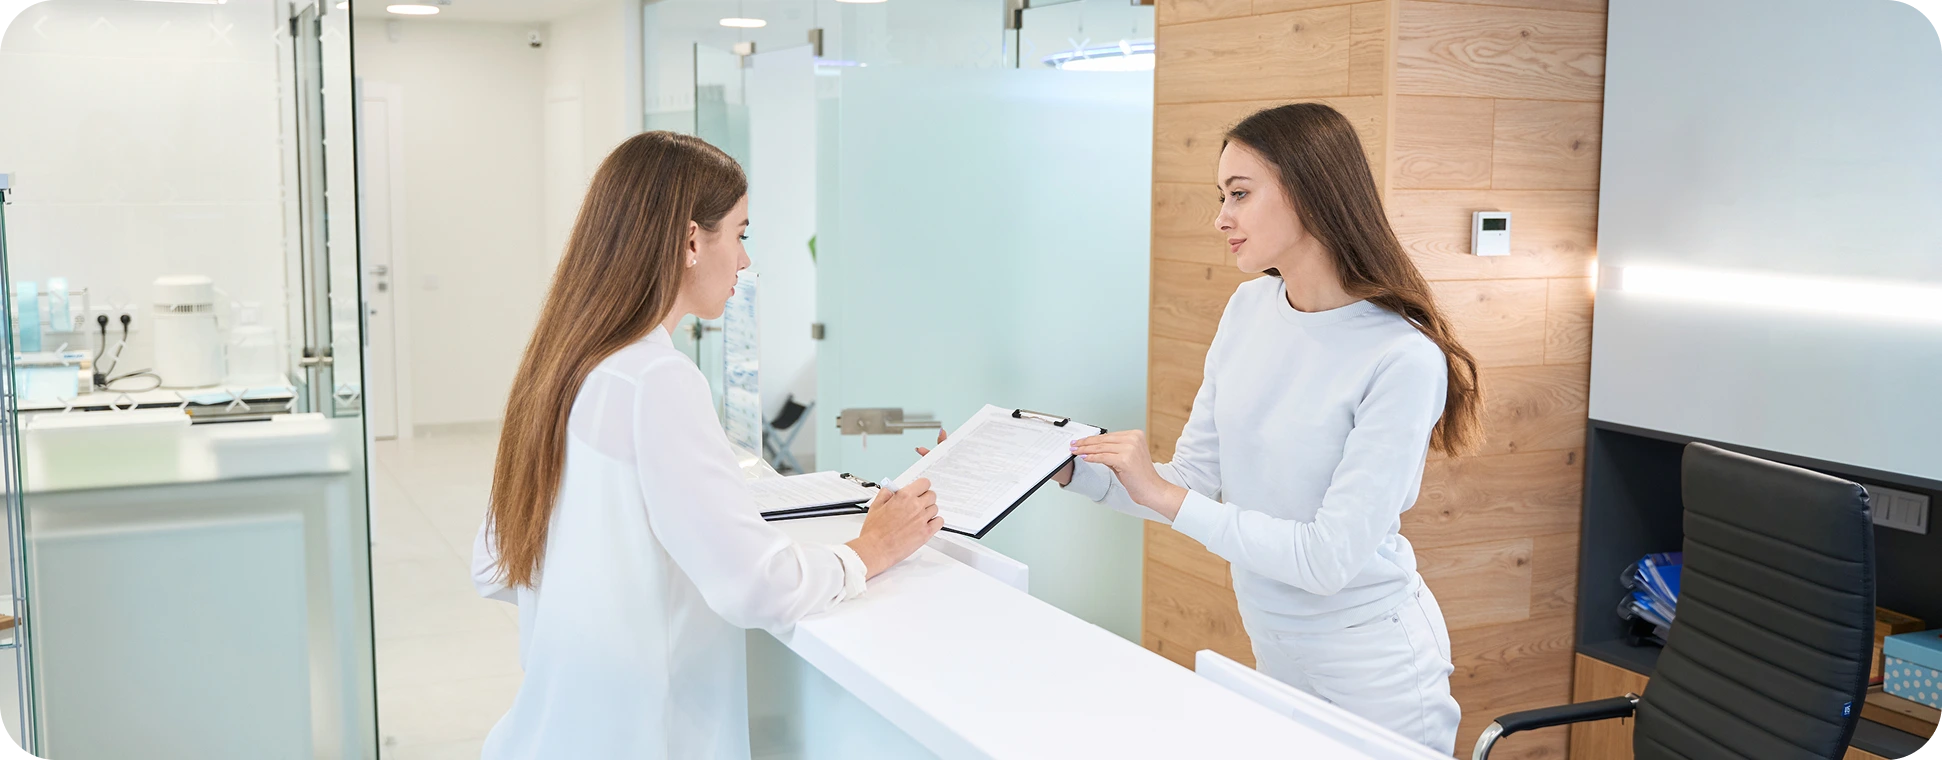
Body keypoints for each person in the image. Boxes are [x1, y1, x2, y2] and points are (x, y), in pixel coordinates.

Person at [470, 131, 942, 759]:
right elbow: (754, 585)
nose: (745, 261)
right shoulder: (657, 380)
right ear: (692, 240)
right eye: (741, 234)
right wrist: (869, 549)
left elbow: (495, 562)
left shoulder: (566, 365)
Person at [1062, 103, 1479, 753]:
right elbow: (1188, 482)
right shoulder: (1249, 308)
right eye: (1221, 196)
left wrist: (1166, 494)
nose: (1220, 217)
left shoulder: (1401, 358)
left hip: (1376, 671)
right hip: (1274, 650)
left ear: (1312, 193)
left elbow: (1325, 559)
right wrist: (1063, 471)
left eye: (1240, 194)